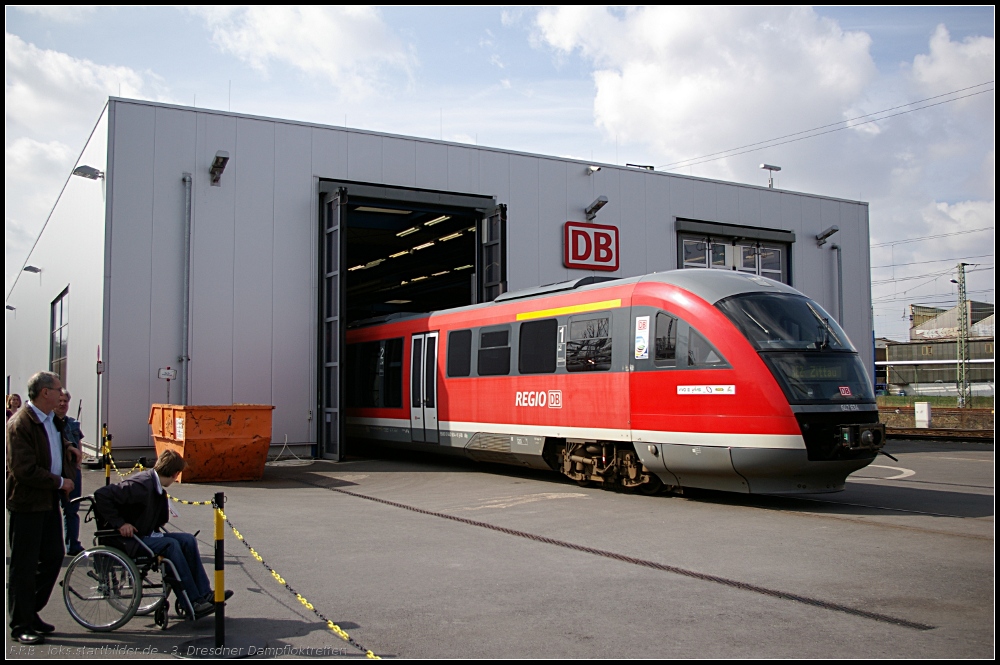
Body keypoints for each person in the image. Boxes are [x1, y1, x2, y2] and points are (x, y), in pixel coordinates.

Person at [94, 449, 230, 618]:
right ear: (175, 474)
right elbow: (101, 495)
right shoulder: (141, 485)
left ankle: (204, 593)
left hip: (145, 534)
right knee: (171, 545)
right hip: (128, 540)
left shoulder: (155, 485)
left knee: (187, 540)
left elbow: (158, 519)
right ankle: (193, 600)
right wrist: (120, 523)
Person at [6, 371, 80, 645]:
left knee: (52, 557)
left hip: (47, 501)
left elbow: (52, 443)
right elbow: (23, 470)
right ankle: (20, 623)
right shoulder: (20, 423)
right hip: (27, 503)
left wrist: (69, 447)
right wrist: (60, 481)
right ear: (43, 392)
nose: (62, 394)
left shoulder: (50, 420)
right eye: (58, 389)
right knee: (23, 566)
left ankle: (29, 610)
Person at [55, 389, 85, 555]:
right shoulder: (48, 424)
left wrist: (78, 465)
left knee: (72, 509)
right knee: (52, 511)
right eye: (59, 401)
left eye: (65, 401)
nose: (62, 404)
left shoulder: (73, 424)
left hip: (72, 472)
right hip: (54, 472)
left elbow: (78, 443)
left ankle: (72, 544)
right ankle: (53, 546)